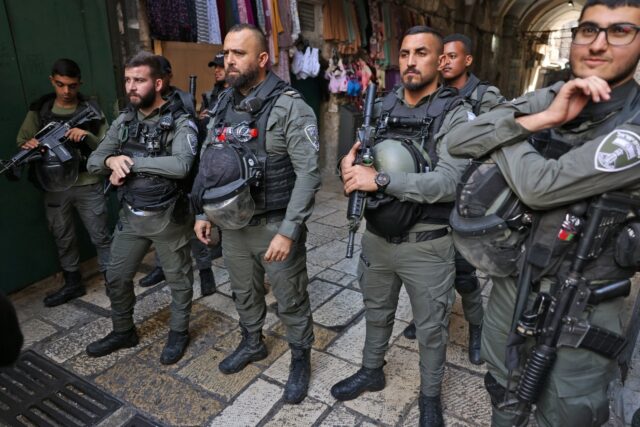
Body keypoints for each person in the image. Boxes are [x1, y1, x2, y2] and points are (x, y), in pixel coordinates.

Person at [446, 0, 640, 425]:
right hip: (516, 278)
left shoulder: (634, 130)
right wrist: (544, 117)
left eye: (620, 31)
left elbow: (539, 187)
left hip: (583, 301)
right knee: (502, 387)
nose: (598, 44)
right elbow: (459, 139)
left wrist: (512, 133)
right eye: (588, 30)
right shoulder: (554, 94)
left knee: (568, 411)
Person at [331, 26, 472, 426]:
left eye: (422, 53)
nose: (410, 61)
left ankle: (429, 396)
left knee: (431, 328)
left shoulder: (455, 113)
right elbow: (361, 153)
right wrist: (348, 165)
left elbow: (449, 182)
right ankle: (371, 370)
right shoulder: (381, 103)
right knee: (376, 312)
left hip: (426, 244)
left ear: (440, 60)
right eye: (405, 53)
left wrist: (380, 180)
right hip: (377, 236)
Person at [192, 24, 320, 404]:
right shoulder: (223, 102)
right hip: (232, 226)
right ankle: (252, 342)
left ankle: (301, 356)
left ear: (262, 59)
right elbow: (208, 161)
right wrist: (201, 211)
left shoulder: (290, 106)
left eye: (239, 54)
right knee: (243, 291)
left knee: (291, 297)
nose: (228, 60)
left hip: (274, 225)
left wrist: (289, 231)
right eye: (226, 53)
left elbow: (309, 174)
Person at [85, 52, 197, 365]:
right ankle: (123, 331)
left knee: (179, 281)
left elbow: (182, 164)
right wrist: (110, 160)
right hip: (132, 216)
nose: (131, 87)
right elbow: (93, 161)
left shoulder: (179, 120)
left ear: (158, 83)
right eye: (128, 80)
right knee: (116, 277)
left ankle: (179, 332)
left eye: (140, 80)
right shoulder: (125, 120)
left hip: (168, 216)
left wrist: (132, 163)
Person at [402, 33, 505, 366]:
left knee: (462, 273)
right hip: (432, 192)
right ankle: (427, 316)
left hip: (467, 196)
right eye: (441, 57)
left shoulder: (484, 96)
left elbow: (495, 140)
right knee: (426, 266)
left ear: (468, 60)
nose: (444, 62)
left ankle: (477, 328)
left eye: (451, 57)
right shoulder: (427, 94)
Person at [16, 58, 110, 307]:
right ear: (52, 81)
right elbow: (22, 140)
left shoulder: (91, 108)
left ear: (80, 84)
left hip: (87, 182)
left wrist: (87, 136)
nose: (66, 91)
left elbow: (107, 145)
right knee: (62, 236)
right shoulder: (40, 110)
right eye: (60, 85)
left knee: (100, 234)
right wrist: (31, 145)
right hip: (54, 185)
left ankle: (113, 279)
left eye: (72, 85)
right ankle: (73, 282)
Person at [137, 56, 220, 296]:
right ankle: (161, 267)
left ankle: (205, 271)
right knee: (161, 228)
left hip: (183, 174)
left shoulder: (181, 100)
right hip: (156, 176)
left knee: (194, 226)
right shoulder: (141, 101)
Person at [199, 52, 228, 119]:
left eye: (221, 66)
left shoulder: (237, 93)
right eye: (215, 67)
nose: (216, 70)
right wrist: (200, 118)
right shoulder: (208, 96)